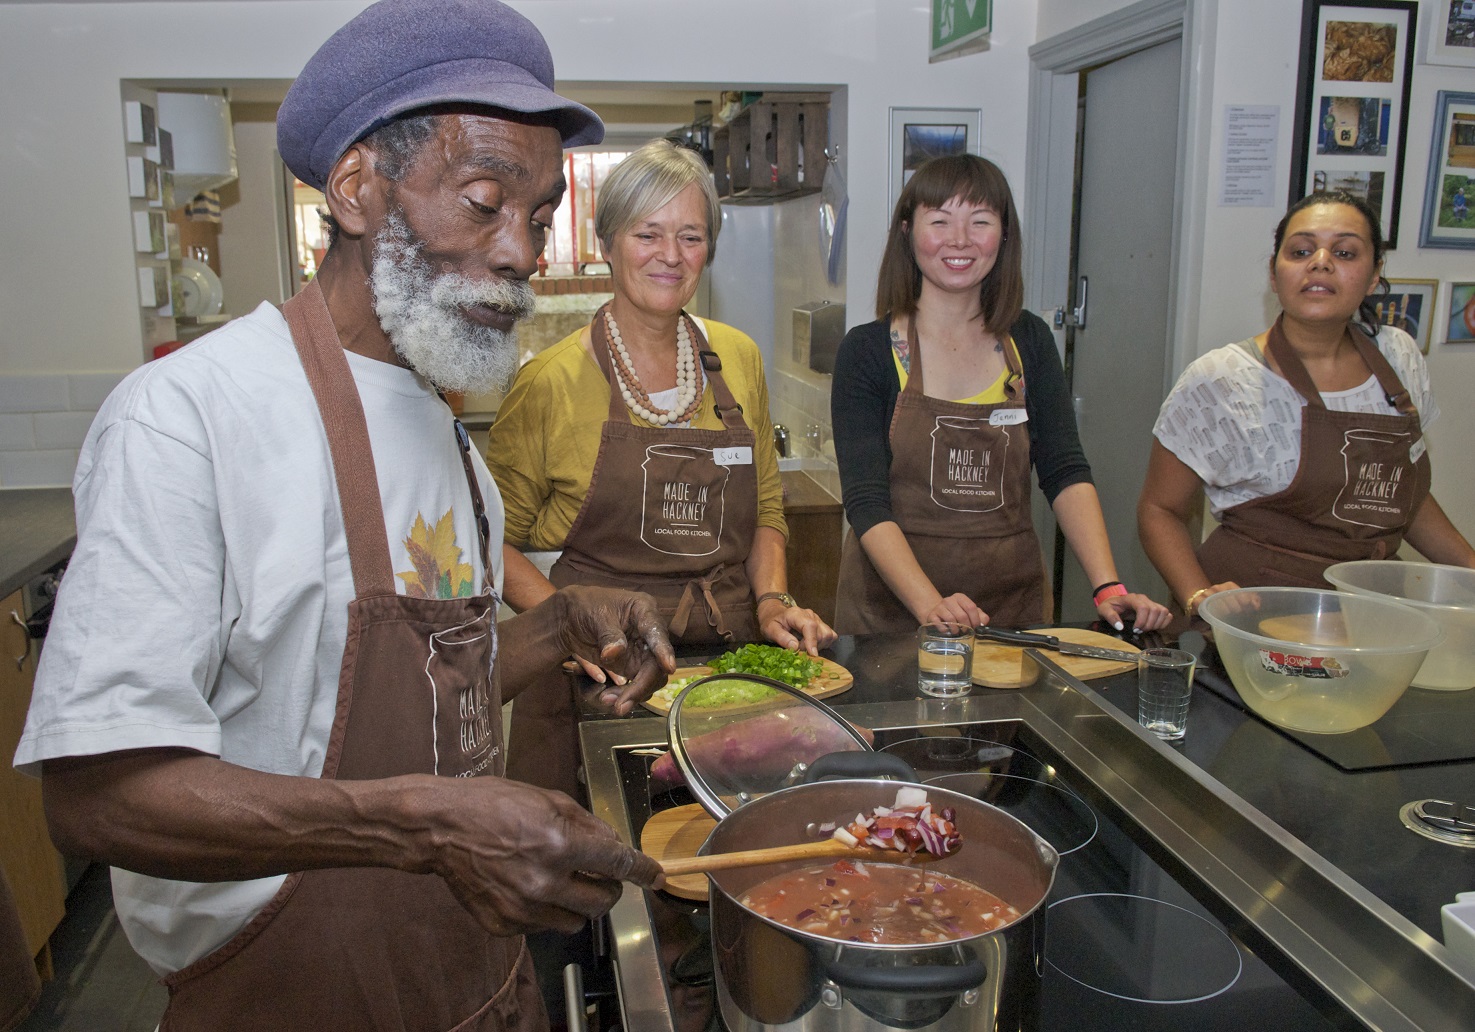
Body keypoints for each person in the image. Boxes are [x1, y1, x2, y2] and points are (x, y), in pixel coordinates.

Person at [13, 2, 673, 1029]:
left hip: (473, 982)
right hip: (291, 994)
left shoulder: (445, 433)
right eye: (484, 201)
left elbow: (392, 696)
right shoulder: (191, 416)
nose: (519, 254)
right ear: (359, 189)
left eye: (538, 218)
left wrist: (548, 631)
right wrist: (421, 830)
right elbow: (98, 796)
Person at [485, 139, 835, 790]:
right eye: (648, 234)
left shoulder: (738, 359)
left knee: (724, 854)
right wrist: (570, 625)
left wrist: (773, 599)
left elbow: (763, 510)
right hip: (603, 669)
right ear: (608, 242)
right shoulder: (551, 383)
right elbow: (490, 540)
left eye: (690, 236)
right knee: (581, 869)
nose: (670, 256)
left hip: (726, 666)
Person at [830, 154, 1170, 635]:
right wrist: (931, 606)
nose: (960, 240)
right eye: (940, 221)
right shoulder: (867, 351)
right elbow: (866, 501)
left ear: (1004, 235)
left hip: (1010, 612)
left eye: (980, 221)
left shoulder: (1027, 341)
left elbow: (1065, 471)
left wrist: (1108, 588)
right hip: (894, 617)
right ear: (907, 231)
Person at [1138, 191, 1475, 619]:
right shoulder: (1221, 378)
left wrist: (1469, 566)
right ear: (1274, 275)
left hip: (1370, 613)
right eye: (1301, 250)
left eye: (1345, 251)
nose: (1320, 262)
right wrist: (1199, 596)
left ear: (1374, 276)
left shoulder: (1400, 357)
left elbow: (1401, 495)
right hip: (1253, 614)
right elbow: (1159, 510)